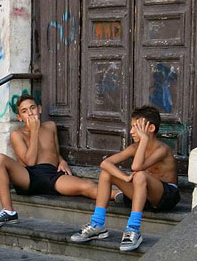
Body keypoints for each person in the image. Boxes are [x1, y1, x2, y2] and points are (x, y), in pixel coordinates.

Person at [70, 105, 179, 252]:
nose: (131, 131)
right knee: (106, 173)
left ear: (151, 128)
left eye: (136, 127)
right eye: (131, 126)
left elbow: (136, 167)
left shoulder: (162, 149)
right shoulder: (135, 147)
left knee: (140, 175)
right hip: (143, 195)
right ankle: (98, 224)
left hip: (165, 196)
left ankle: (133, 229)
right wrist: (125, 178)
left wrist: (145, 140)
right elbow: (105, 163)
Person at [0, 94, 99, 227]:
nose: (30, 113)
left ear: (40, 109)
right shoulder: (17, 135)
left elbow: (54, 151)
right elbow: (30, 162)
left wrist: (61, 160)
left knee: (87, 185)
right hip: (29, 176)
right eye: (24, 111)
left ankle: (121, 195)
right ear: (20, 118)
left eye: (32, 108)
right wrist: (34, 131)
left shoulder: (50, 126)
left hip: (51, 174)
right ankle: (8, 212)